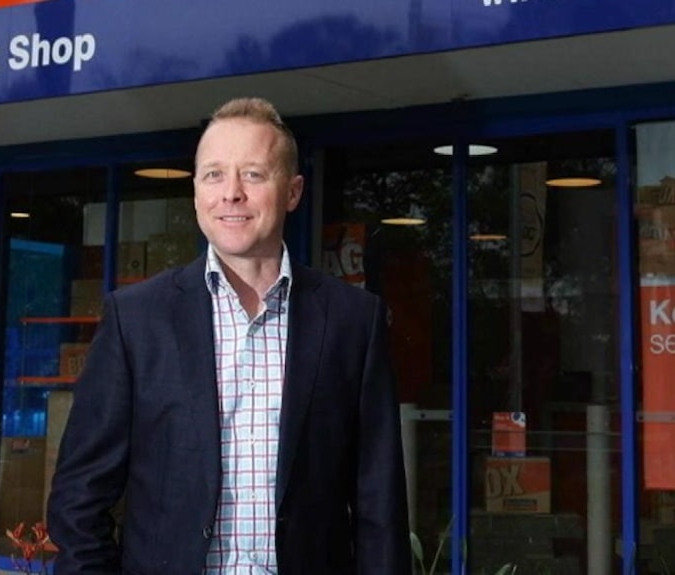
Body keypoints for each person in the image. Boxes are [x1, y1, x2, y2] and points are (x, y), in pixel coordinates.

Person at [46, 97, 412, 574]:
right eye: (214, 174)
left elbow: (379, 504)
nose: (231, 193)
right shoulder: (136, 318)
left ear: (293, 191)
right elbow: (79, 498)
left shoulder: (353, 321)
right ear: (196, 191)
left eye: (254, 174)